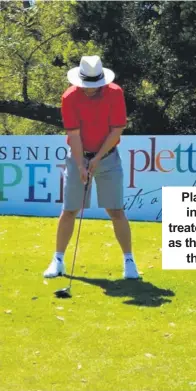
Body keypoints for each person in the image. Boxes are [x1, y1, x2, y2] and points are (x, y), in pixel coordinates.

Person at [43, 55, 141, 279]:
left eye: (94, 85)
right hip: (77, 156)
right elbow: (74, 135)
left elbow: (117, 129)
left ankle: (129, 262)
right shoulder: (69, 97)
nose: (89, 89)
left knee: (116, 211)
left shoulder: (115, 93)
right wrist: (80, 165)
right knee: (70, 210)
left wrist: (96, 159)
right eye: (86, 85)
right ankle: (58, 261)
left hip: (108, 158)